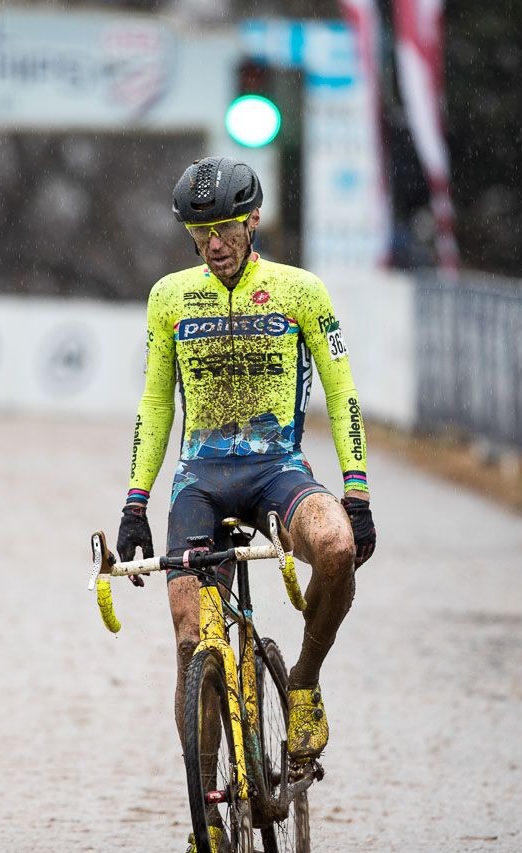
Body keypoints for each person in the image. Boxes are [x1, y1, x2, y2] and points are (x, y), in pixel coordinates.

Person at [115, 156, 375, 850]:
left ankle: (303, 686)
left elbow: (342, 390)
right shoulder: (170, 298)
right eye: (201, 231)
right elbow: (153, 402)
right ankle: (204, 812)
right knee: (189, 641)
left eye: (227, 225)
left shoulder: (299, 291)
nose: (215, 241)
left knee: (337, 549)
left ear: (253, 219)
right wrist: (135, 503)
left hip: (278, 472)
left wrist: (356, 490)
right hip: (199, 481)